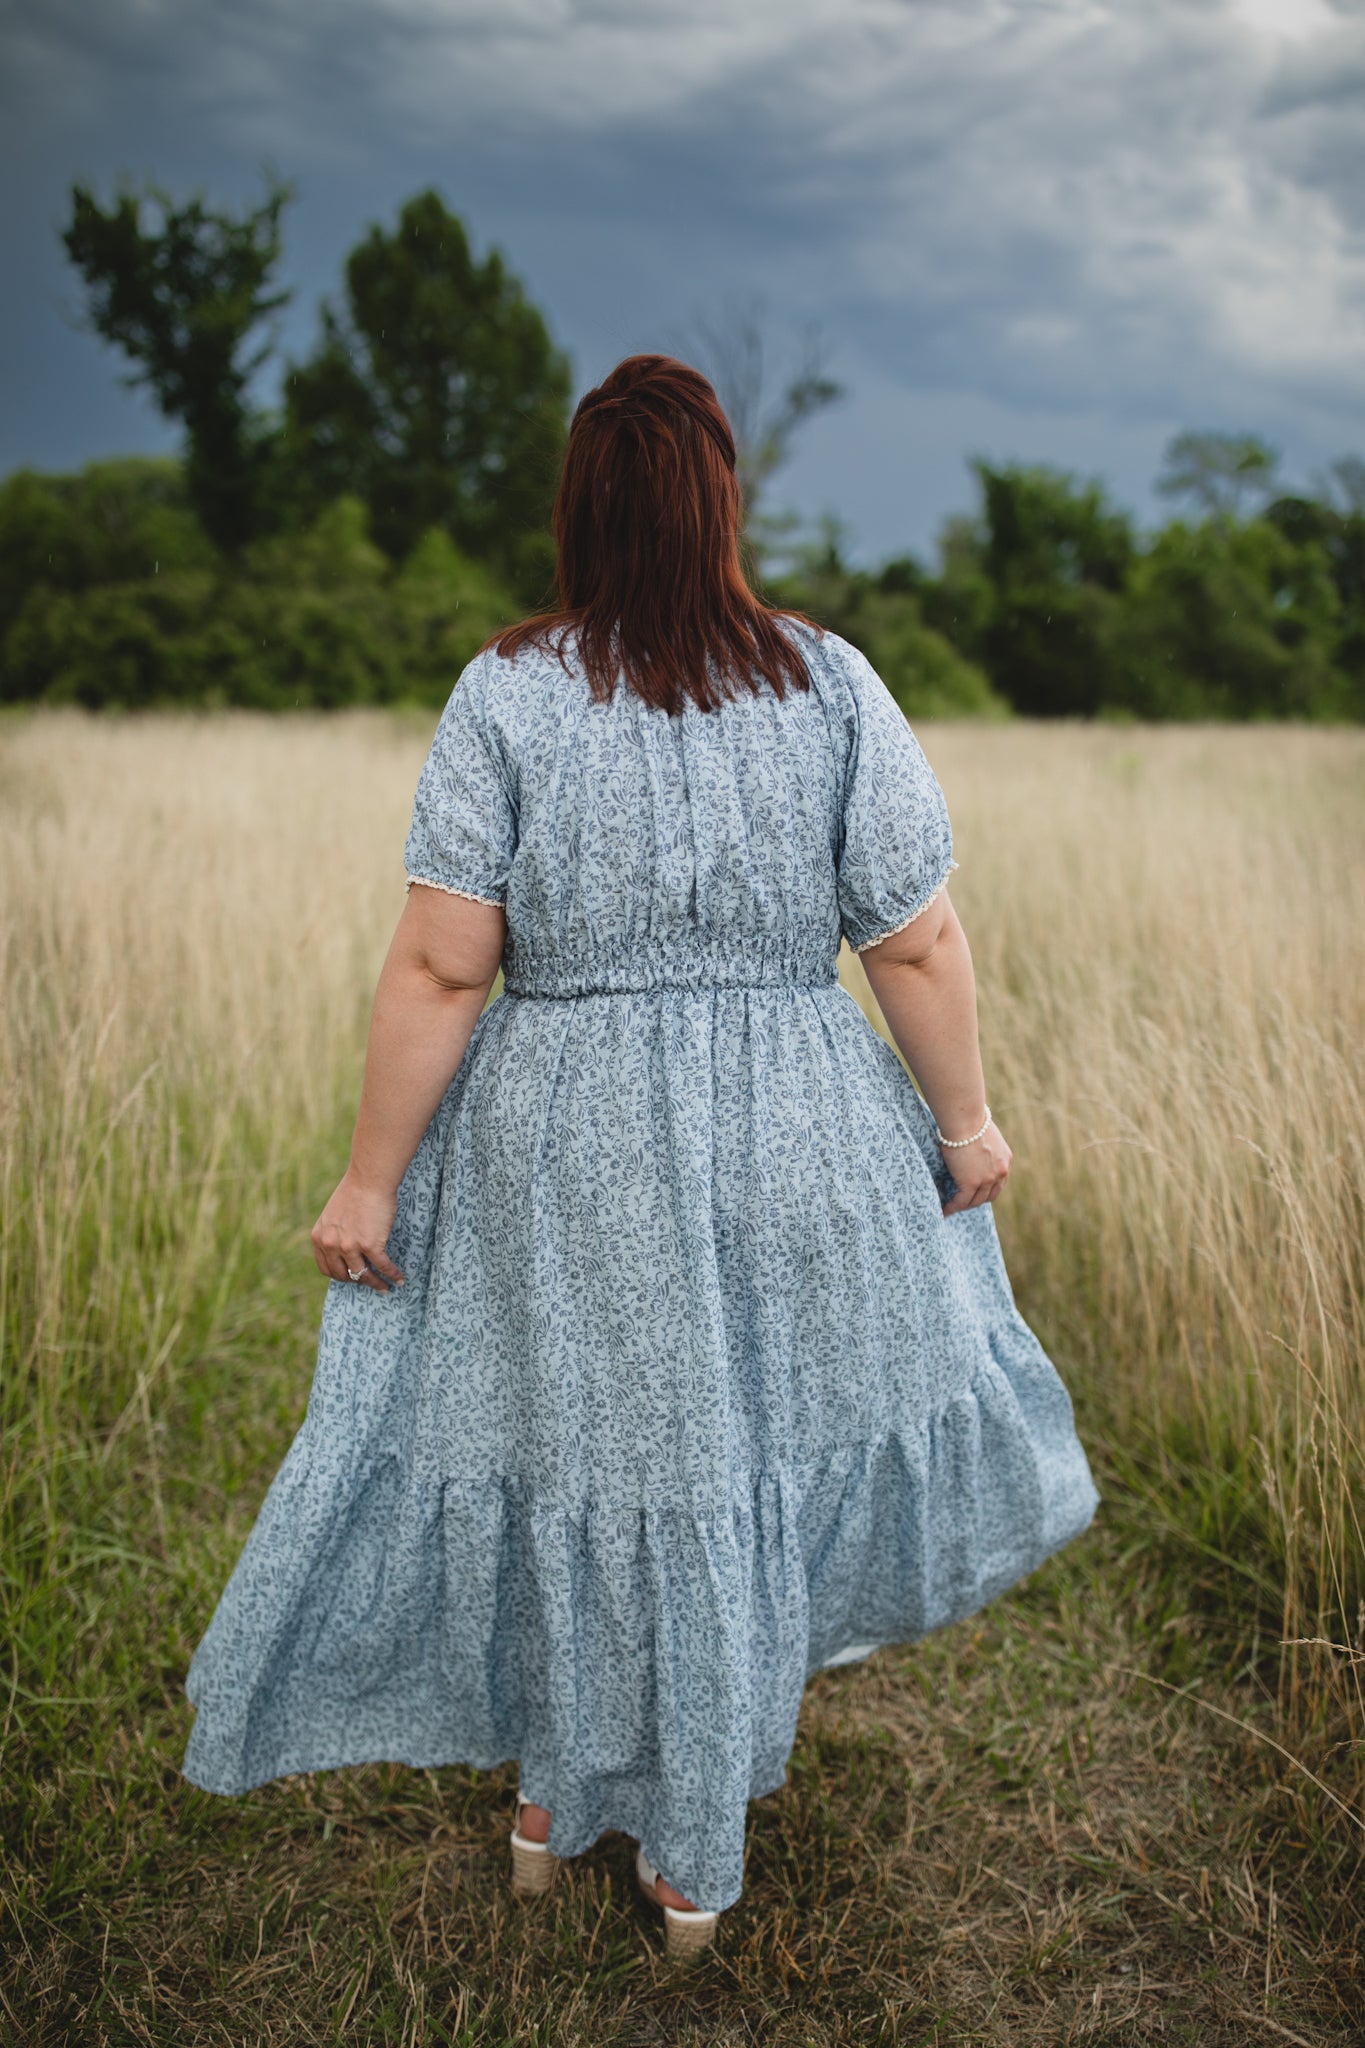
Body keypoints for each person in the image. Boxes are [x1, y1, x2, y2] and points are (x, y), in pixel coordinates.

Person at [181, 353, 1099, 1960]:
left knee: (590, 1460)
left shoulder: (510, 690)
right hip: (793, 1120)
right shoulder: (827, 681)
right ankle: (684, 1862)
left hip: (564, 1134)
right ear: (720, 500)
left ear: (579, 509)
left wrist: (371, 1177)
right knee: (722, 1463)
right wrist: (963, 1124)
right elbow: (917, 937)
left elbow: (441, 965)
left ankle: (558, 1808)